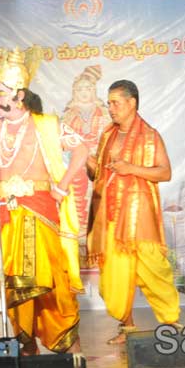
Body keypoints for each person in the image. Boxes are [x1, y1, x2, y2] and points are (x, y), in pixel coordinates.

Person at [0, 46, 87, 354]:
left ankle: (74, 356)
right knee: (13, 287)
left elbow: (81, 149)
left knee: (53, 281)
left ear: (20, 95)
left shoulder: (45, 124)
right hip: (6, 216)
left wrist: (61, 187)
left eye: (3, 93)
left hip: (40, 210)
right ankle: (27, 353)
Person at [87, 80, 179, 345]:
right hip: (112, 214)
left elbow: (165, 172)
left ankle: (171, 323)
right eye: (108, 103)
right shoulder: (108, 135)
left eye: (115, 102)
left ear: (132, 103)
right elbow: (99, 175)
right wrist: (88, 163)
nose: (110, 108)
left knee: (153, 269)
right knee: (114, 276)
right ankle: (126, 328)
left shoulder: (150, 136)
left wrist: (131, 168)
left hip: (140, 214)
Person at [61, 65, 110, 238]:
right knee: (77, 178)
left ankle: (101, 226)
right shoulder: (68, 115)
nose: (84, 92)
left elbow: (110, 138)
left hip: (100, 159)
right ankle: (80, 225)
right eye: (80, 89)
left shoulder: (104, 113)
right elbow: (63, 143)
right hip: (77, 161)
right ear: (75, 91)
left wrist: (96, 152)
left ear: (94, 91)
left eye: (88, 88)